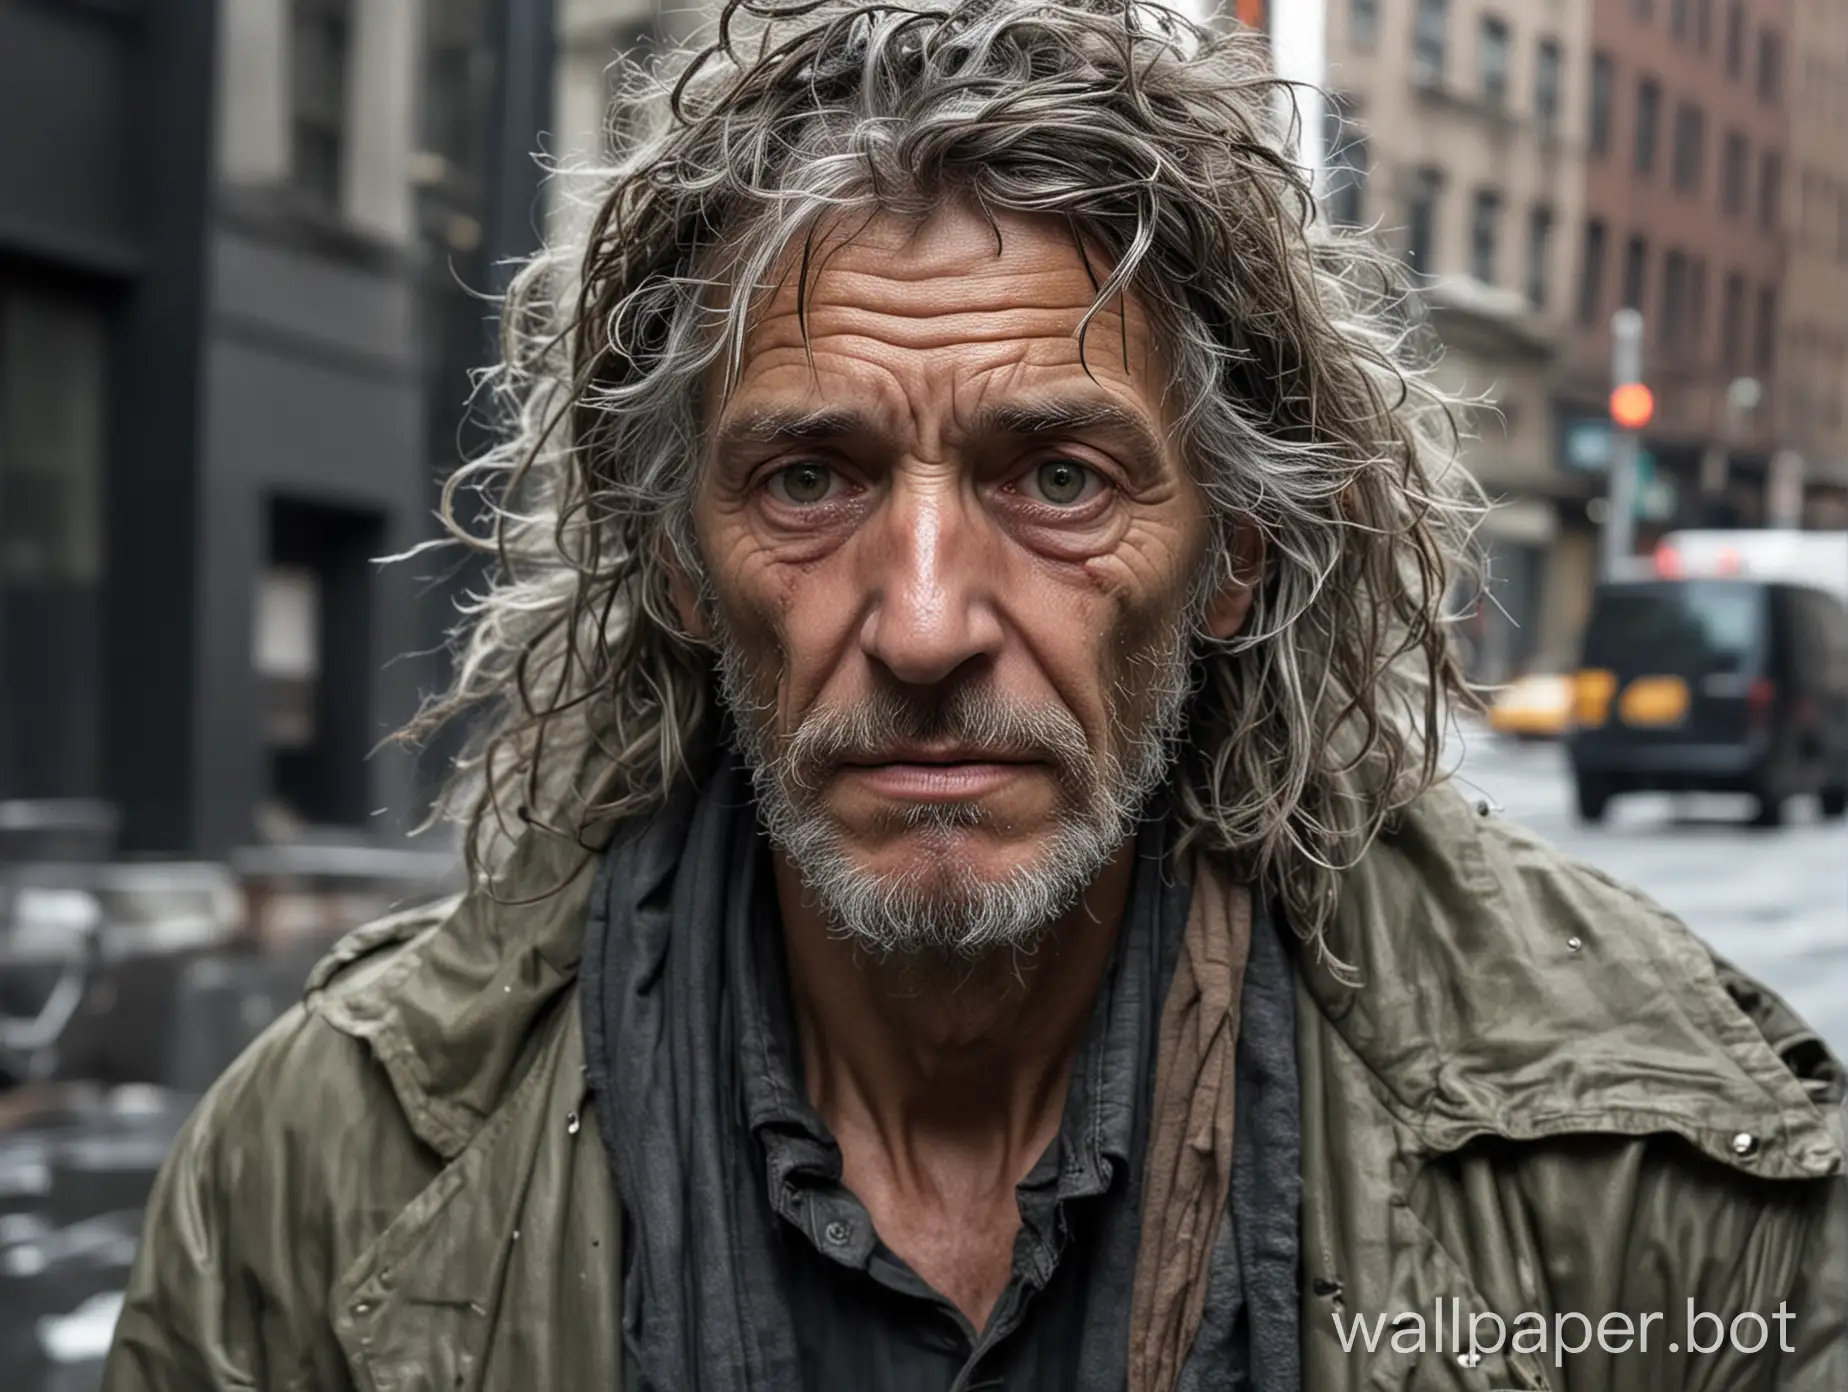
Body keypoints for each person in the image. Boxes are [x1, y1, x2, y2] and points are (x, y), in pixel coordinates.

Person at [104, 2, 1845, 1388]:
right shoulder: (324, 1169)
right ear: (677, 563)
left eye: (1060, 478)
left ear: (1232, 552)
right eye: (808, 479)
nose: (926, 623)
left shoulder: (1659, 1171)